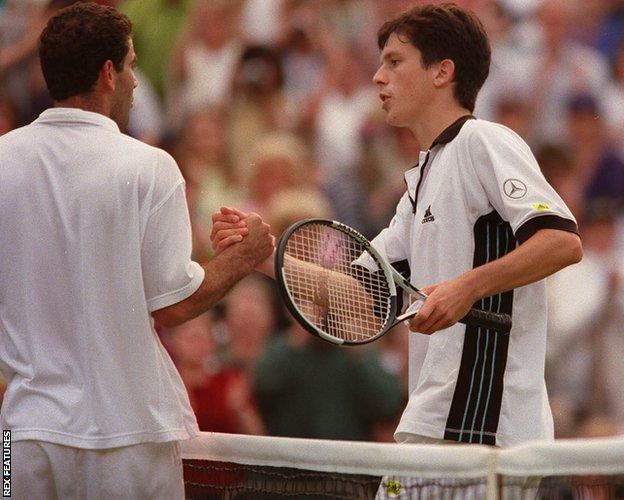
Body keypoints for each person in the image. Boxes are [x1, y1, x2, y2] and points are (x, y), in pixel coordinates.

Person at [212, 2, 582, 452]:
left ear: (442, 71)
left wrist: (466, 287)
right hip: (431, 421)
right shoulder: (420, 184)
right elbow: (358, 297)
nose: (377, 78)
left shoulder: (483, 140)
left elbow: (561, 241)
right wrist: (263, 257)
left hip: (486, 431)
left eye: (394, 61)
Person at [0, 3, 272, 499]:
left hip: (17, 442)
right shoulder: (151, 167)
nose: (136, 82)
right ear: (108, 73)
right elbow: (175, 305)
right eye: (131, 65)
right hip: (127, 437)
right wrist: (245, 254)